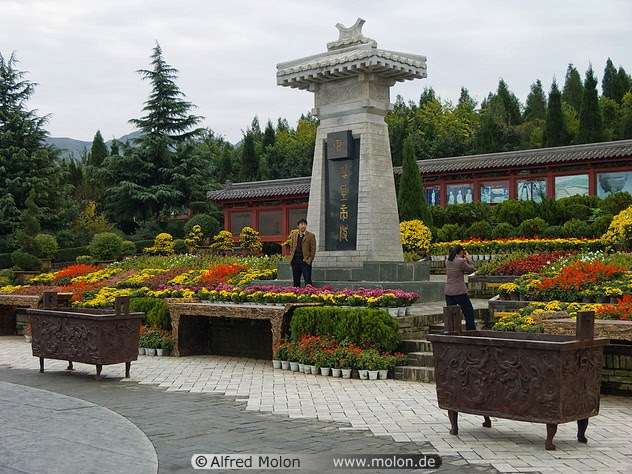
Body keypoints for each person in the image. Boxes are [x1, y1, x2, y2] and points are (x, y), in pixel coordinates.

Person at [445, 244, 476, 330]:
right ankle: (470, 331)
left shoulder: (447, 260)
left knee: (452, 314)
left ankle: (453, 331)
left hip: (448, 292)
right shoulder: (461, 261)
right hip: (459, 291)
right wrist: (468, 259)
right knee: (468, 312)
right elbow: (472, 269)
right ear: (461, 252)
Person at [289, 218, 316, 287]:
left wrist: (309, 260)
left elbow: (313, 250)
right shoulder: (293, 236)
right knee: (296, 280)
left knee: (308, 280)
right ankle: (296, 294)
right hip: (295, 260)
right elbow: (291, 247)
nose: (303, 226)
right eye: (301, 224)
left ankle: (309, 294)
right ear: (298, 226)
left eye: (304, 224)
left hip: (305, 260)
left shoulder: (311, 236)